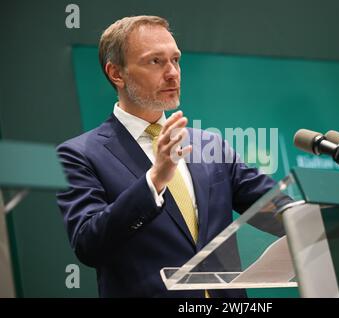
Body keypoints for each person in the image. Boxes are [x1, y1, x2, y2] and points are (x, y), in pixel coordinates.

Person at [56, 15, 280, 298]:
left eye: (175, 60)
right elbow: (88, 243)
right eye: (156, 61)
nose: (173, 73)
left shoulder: (211, 145)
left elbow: (276, 208)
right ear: (117, 73)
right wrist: (154, 181)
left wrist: (334, 215)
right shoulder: (79, 155)